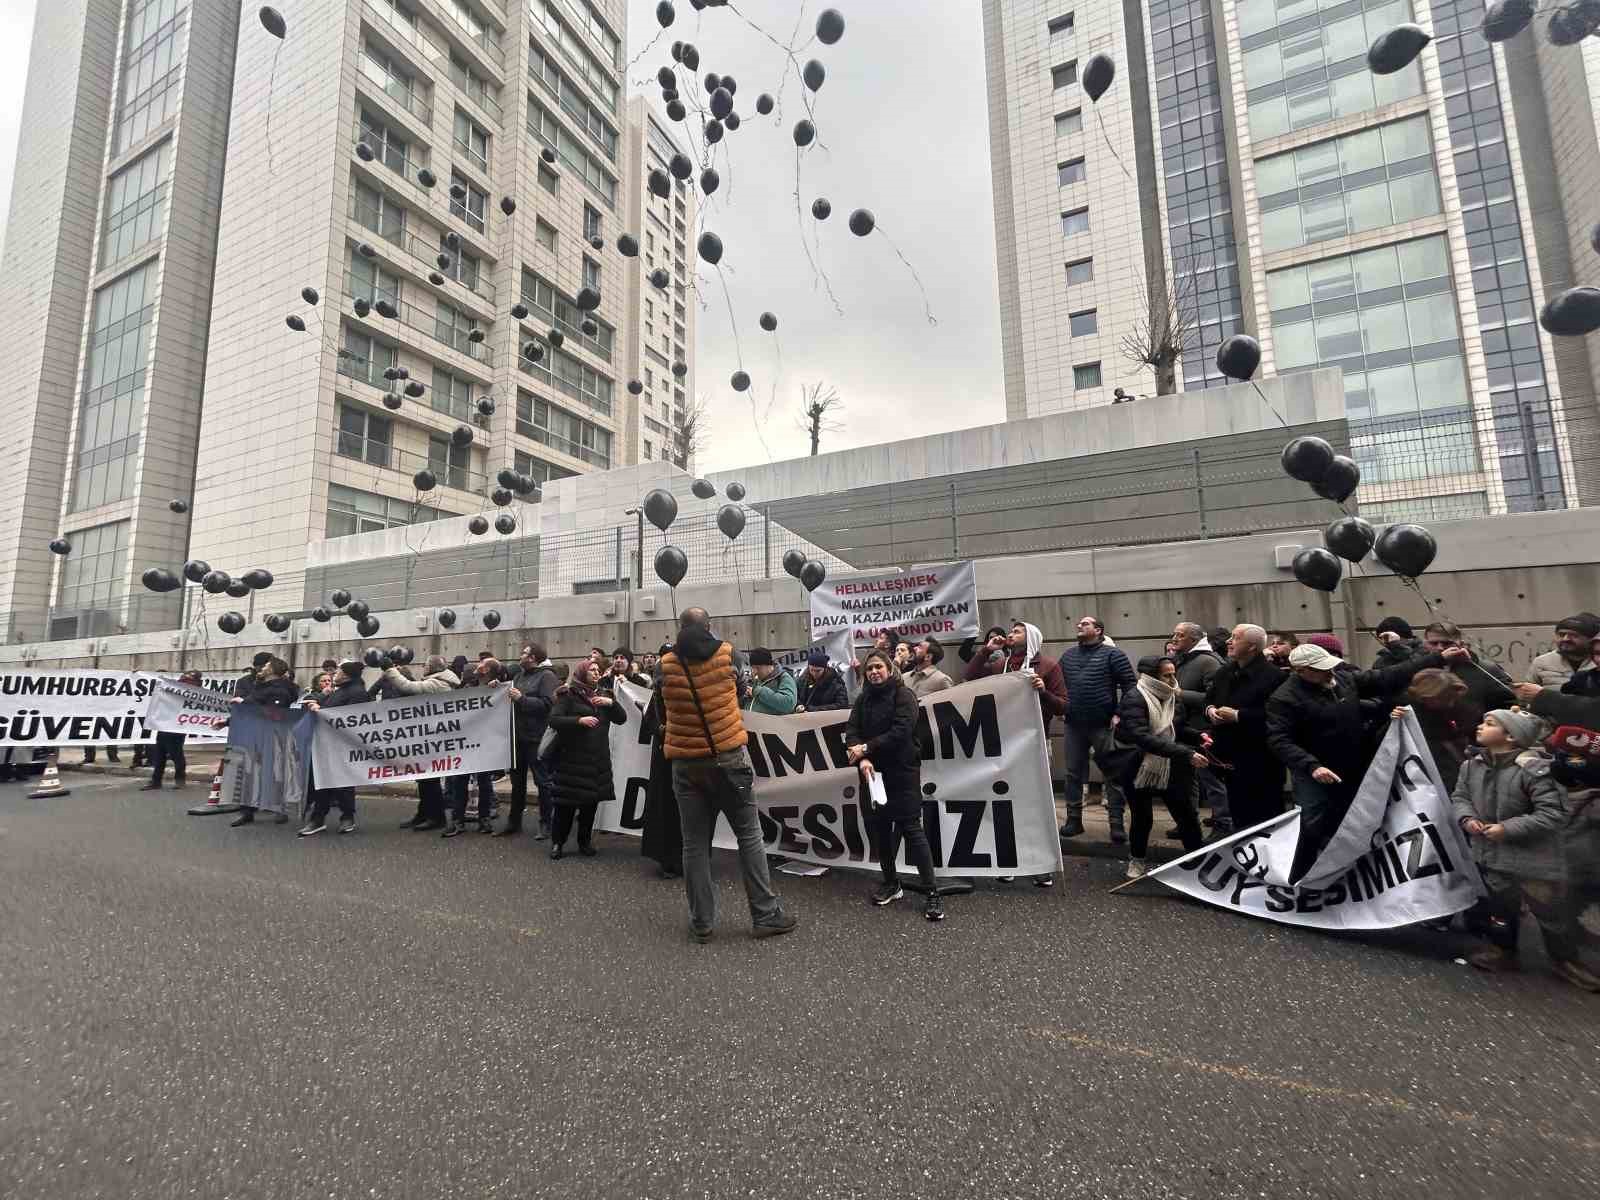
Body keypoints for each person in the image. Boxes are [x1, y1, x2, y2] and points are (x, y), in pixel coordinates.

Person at [1267, 641, 1462, 879]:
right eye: (1321, 669)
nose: (1330, 673)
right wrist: (1313, 766)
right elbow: (1279, 740)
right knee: (1310, 826)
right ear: (1301, 671)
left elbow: (1387, 676)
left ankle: (1350, 876)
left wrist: (1437, 658)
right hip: (1315, 773)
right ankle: (1299, 878)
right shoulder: (1283, 699)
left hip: (1354, 766)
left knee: (1354, 821)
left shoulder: (1344, 680)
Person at [658, 607, 796, 941]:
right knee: (749, 836)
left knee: (694, 845)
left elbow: (663, 705)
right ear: (709, 627)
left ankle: (702, 922)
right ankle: (765, 915)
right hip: (728, 758)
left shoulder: (664, 665)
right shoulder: (728, 652)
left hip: (686, 764)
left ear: (680, 628)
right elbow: (738, 690)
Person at [1452, 709, 1599, 991]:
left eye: (1490, 723)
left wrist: (1507, 829)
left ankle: (1565, 960)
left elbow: (1553, 814)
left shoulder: (1535, 770)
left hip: (1535, 861)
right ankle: (1503, 950)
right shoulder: (1471, 766)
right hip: (1492, 855)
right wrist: (1466, 818)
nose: (1480, 726)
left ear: (1510, 736)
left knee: (1551, 914)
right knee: (1501, 908)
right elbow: (1460, 796)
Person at [846, 650, 945, 921]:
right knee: (879, 831)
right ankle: (891, 883)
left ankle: (931, 892)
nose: (874, 672)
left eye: (878, 667)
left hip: (901, 774)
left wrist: (866, 747)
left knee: (912, 830)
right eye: (869, 669)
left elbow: (901, 731)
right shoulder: (863, 700)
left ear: (890, 669)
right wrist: (863, 759)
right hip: (872, 776)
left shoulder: (905, 696)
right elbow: (851, 731)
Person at [965, 620, 1066, 886]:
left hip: (1034, 744)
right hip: (1004, 745)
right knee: (1006, 805)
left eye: (1017, 631)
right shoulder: (1003, 665)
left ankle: (1040, 866)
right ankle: (1010, 861)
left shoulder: (1048, 666)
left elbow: (1063, 707)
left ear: (1031, 636)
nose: (1010, 634)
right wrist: (986, 651)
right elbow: (971, 678)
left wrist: (1043, 691)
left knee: (1036, 804)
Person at [1114, 656, 1209, 878]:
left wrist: (1198, 736)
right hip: (1138, 766)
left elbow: (1177, 728)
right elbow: (1142, 737)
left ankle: (1199, 863)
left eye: (1174, 673)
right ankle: (1137, 861)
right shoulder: (1134, 697)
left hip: (1172, 767)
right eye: (1167, 675)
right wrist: (1187, 753)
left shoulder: (1172, 696)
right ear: (1151, 677)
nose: (1173, 679)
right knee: (1142, 817)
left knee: (1186, 815)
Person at [1056, 616, 1135, 841]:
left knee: (1112, 774)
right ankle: (1074, 821)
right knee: (1072, 773)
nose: (1079, 626)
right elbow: (1060, 686)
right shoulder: (1068, 656)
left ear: (1098, 630)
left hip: (1104, 724)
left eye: (1085, 624)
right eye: (1079, 624)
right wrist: (1062, 706)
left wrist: (1120, 713)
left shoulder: (1114, 655)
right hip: (1074, 724)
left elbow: (1130, 686)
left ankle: (1116, 824)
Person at [1203, 624, 1287, 833]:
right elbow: (1209, 699)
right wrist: (1211, 710)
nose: (1228, 642)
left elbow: (1277, 716)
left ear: (1252, 647)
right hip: (1229, 758)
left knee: (1266, 819)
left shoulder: (1275, 676)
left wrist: (1238, 716)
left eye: (1236, 638)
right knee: (1239, 815)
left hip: (1261, 758)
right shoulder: (1224, 672)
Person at [544, 659, 625, 859]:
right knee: (566, 806)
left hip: (597, 761)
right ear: (581, 674)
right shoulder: (568, 695)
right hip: (572, 760)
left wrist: (612, 703)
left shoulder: (605, 695)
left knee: (590, 805)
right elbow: (554, 719)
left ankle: (584, 842)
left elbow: (621, 719)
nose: (597, 673)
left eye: (598, 670)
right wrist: (578, 720)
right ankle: (558, 843)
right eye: (592, 670)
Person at [384, 655, 462, 832]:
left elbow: (408, 686)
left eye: (426, 665)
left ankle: (436, 817)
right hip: (429, 735)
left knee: (429, 779)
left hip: (433, 737)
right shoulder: (439, 680)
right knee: (424, 778)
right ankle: (424, 813)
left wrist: (390, 669)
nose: (423, 667)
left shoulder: (437, 684)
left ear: (433, 668)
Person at [298, 661, 370, 836]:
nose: (333, 675)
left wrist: (320, 710)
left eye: (337, 672)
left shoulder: (357, 693)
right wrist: (320, 703)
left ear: (345, 675)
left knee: (343, 783)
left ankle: (347, 817)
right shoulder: (341, 691)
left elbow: (349, 718)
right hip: (327, 743)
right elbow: (330, 707)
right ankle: (318, 819)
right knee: (322, 782)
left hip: (343, 745)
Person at [226, 657, 300, 827]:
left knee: (273, 774)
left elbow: (274, 713)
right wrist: (226, 721)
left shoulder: (280, 691)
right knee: (249, 774)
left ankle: (278, 809)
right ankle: (247, 811)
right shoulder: (260, 686)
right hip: (254, 735)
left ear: (273, 670)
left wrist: (244, 702)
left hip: (272, 737)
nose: (263, 667)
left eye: (267, 665)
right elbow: (249, 712)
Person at [1171, 621, 1228, 834]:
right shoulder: (1181, 660)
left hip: (1204, 730)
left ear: (1193, 639)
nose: (1174, 638)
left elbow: (1216, 698)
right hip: (1183, 728)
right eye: (1174, 634)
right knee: (1185, 781)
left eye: (1180, 635)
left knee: (1211, 779)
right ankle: (1188, 822)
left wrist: (1180, 694)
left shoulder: (1208, 662)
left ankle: (1223, 824)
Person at [502, 643, 559, 839]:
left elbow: (548, 704)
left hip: (536, 738)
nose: (520, 656)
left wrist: (522, 699)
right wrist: (497, 688)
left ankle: (546, 823)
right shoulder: (518, 676)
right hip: (518, 737)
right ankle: (514, 821)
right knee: (517, 782)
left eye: (524, 653)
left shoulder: (547, 676)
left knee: (543, 782)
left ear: (533, 657)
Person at [444, 658, 504, 837]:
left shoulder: (496, 688)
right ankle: (458, 820)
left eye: (482, 664)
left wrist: (497, 688)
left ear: (486, 670)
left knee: (484, 782)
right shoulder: (466, 687)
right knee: (459, 782)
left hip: (484, 742)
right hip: (464, 742)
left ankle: (484, 819)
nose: (478, 665)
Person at [1402, 668, 1481, 795]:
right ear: (1427, 696)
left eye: (1453, 699)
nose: (1450, 703)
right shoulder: (1408, 717)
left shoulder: (1463, 709)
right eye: (1445, 699)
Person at [1423, 620, 1516, 712]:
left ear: (1461, 644)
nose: (1440, 648)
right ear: (1425, 644)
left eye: (1447, 643)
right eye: (1434, 643)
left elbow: (1510, 705)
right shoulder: (1419, 670)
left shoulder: (1487, 669)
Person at [143, 669, 203, 791]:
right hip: (164, 724)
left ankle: (179, 780)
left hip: (177, 726)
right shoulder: (177, 686)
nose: (185, 681)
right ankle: (156, 781)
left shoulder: (195, 690)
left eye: (189, 678)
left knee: (176, 754)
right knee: (160, 755)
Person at [1526, 614, 1600, 687]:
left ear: (1591, 639)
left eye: (1574, 635)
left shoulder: (1597, 661)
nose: (1565, 639)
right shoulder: (1542, 662)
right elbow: (1528, 694)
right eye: (1561, 634)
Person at [742, 649, 798, 715]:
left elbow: (788, 703)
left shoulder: (783, 678)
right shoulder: (755, 681)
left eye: (757, 668)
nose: (755, 672)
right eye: (753, 668)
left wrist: (758, 691)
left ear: (768, 665)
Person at [795, 647, 848, 712]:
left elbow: (842, 704)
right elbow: (794, 696)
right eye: (812, 670)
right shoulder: (802, 680)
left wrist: (815, 709)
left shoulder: (835, 682)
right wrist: (799, 705)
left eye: (818, 671)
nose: (814, 673)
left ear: (825, 669)